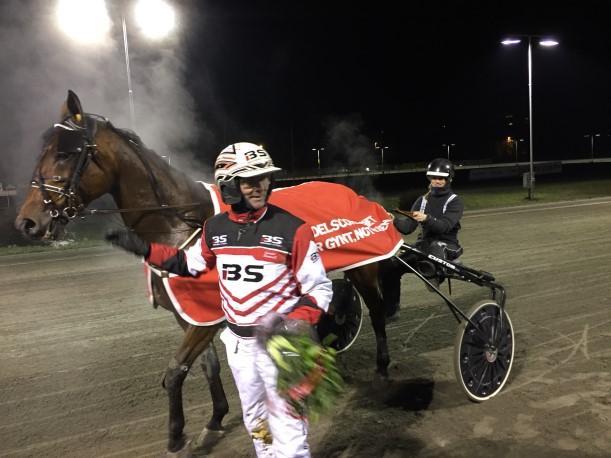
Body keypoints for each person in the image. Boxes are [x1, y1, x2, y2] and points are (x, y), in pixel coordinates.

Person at [106, 142, 332, 458]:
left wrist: (297, 322)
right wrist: (144, 250)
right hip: (239, 347)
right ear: (228, 184)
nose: (260, 186)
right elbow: (189, 264)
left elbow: (319, 290)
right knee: (256, 422)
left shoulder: (293, 229)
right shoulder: (215, 228)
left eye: (264, 178)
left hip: (281, 345)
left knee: (289, 428)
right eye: (249, 180)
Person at [382, 157, 464, 319]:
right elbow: (408, 228)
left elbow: (444, 226)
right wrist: (393, 220)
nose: (437, 181)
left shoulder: (455, 201)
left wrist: (427, 219)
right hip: (423, 246)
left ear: (449, 179)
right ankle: (391, 310)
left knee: (434, 248)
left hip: (447, 245)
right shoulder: (422, 200)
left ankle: (435, 273)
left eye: (441, 178)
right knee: (391, 267)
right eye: (433, 177)